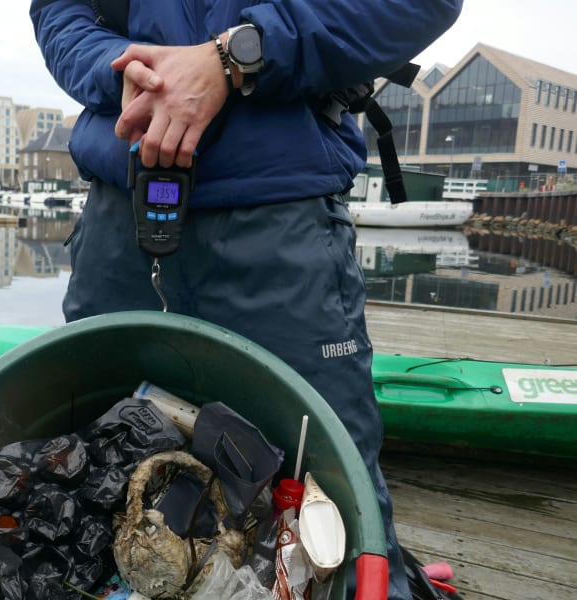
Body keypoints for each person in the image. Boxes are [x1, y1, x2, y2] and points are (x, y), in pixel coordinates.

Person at [30, 2, 462, 598]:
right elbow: (60, 12)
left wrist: (237, 55)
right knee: (99, 475)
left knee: (331, 486)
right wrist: (121, 69)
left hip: (280, 223)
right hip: (118, 222)